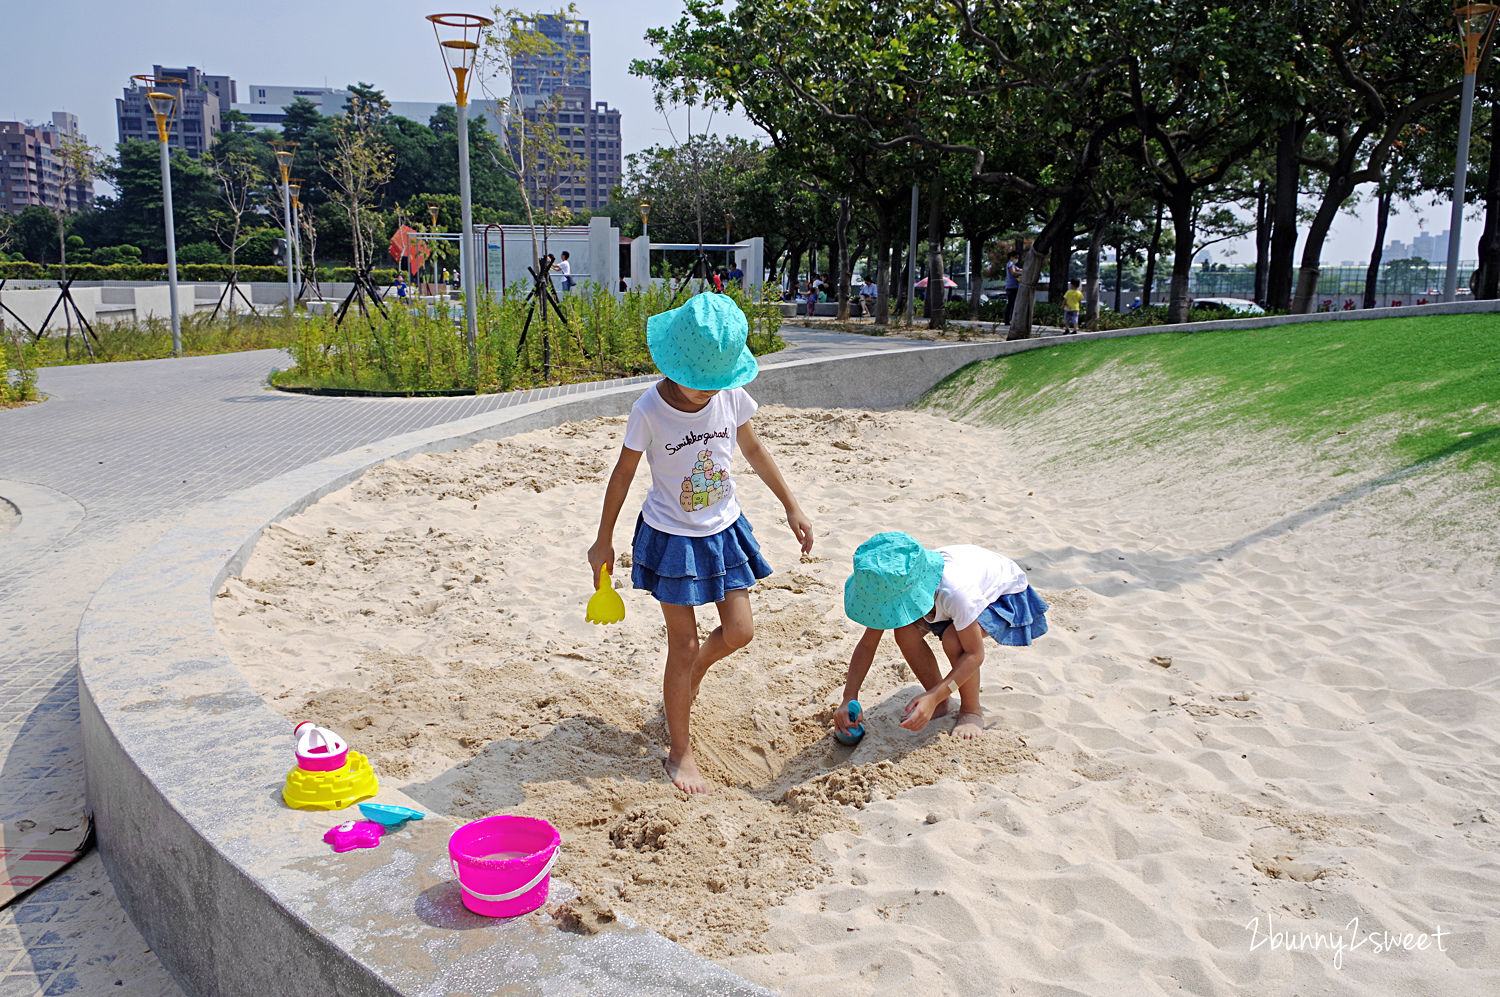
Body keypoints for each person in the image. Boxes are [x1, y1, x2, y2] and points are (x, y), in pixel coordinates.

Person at [588, 293, 814, 794]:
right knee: (683, 643)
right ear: (673, 365)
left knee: (738, 633)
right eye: (701, 381)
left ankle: (696, 672)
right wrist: (603, 540)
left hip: (723, 529)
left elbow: (752, 447)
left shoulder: (729, 394)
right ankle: (680, 751)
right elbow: (624, 474)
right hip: (672, 537)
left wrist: (791, 504)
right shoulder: (649, 409)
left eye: (718, 381)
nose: (709, 391)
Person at [837, 532, 1048, 741]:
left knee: (954, 640)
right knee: (905, 631)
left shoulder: (957, 593)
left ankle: (971, 710)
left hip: (1000, 593)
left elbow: (975, 655)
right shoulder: (891, 582)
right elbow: (867, 645)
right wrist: (849, 697)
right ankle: (940, 702)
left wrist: (936, 694)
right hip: (943, 596)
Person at [1004, 252, 1022, 324]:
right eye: (1016, 257)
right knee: (1011, 304)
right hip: (1012, 287)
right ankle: (1008, 319)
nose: (1016, 259)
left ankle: (1009, 319)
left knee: (1012, 304)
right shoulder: (1010, 264)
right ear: (1011, 257)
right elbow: (1013, 273)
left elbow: (1019, 270)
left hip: (1013, 286)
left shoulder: (1013, 265)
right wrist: (1023, 273)